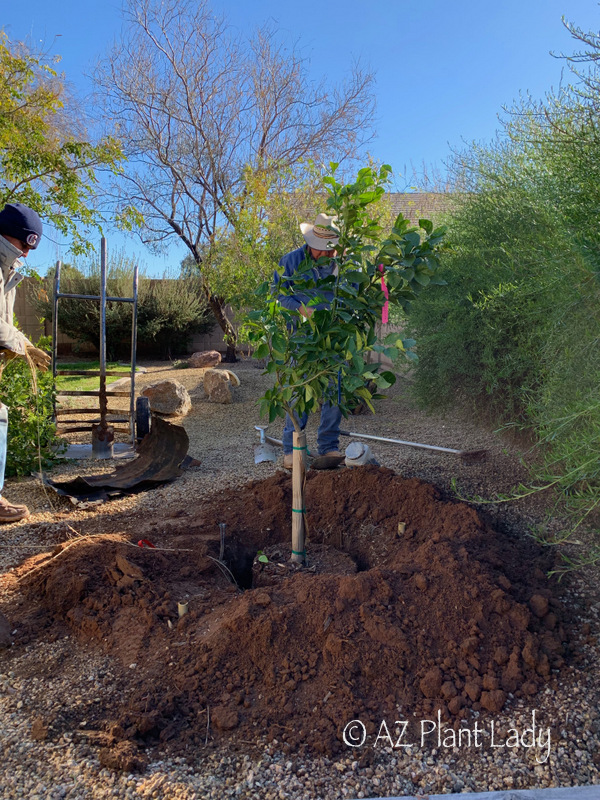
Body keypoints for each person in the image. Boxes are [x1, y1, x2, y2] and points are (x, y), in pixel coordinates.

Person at [273, 213, 344, 470]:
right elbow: (278, 295)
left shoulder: (342, 264)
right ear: (311, 242)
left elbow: (352, 296)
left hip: (333, 338)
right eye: (322, 250)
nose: (326, 254)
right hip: (301, 338)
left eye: (331, 250)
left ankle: (328, 447)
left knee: (335, 389)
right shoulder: (290, 261)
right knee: (299, 389)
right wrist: (300, 309)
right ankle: (292, 450)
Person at [0, 202, 51, 523]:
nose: (26, 254)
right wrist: (21, 344)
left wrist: (25, 344)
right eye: (24, 245)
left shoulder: (7, 273)